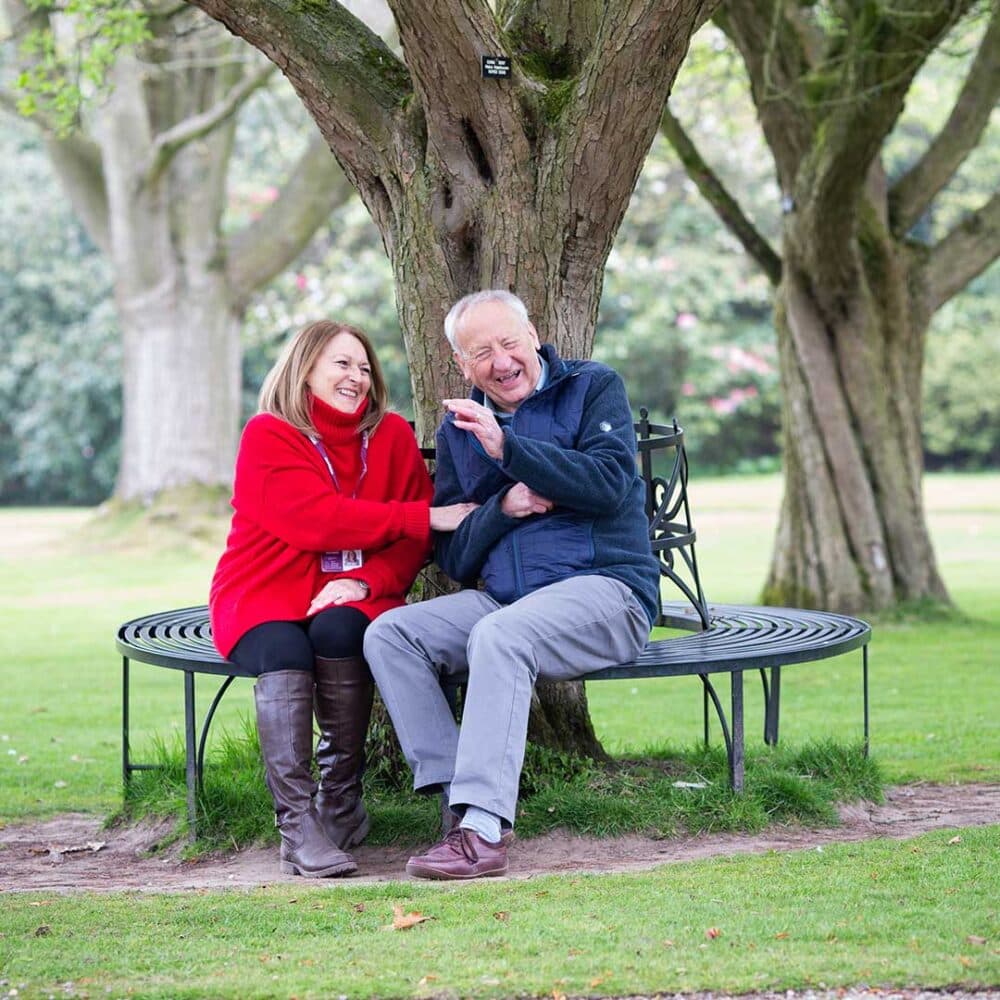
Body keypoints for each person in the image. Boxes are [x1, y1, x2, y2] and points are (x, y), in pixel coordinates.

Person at [363, 290, 660, 880]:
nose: (500, 362)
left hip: (606, 592)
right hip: (507, 602)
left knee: (500, 636)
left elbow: (606, 484)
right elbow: (455, 554)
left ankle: (484, 832)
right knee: (393, 635)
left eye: (507, 343)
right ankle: (461, 810)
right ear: (460, 364)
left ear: (533, 335)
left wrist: (508, 448)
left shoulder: (592, 387)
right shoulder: (459, 430)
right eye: (481, 352)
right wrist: (504, 504)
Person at [210, 320, 474, 878]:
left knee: (342, 630)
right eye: (341, 364)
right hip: (264, 589)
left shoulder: (393, 437)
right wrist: (418, 512)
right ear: (305, 368)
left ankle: (342, 803)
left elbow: (414, 544)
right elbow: (314, 521)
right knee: (284, 649)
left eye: (364, 367)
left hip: (354, 590)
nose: (357, 377)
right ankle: (297, 826)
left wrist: (366, 582)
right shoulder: (269, 433)